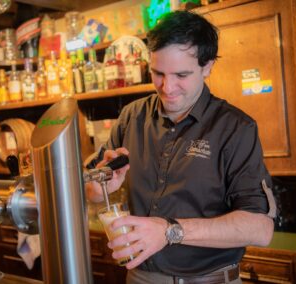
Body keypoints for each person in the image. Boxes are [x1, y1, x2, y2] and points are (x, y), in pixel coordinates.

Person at [86, 10, 276, 284]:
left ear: (208, 66)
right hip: (140, 278)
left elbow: (260, 228)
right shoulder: (131, 117)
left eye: (181, 75)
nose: (167, 87)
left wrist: (169, 230)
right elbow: (89, 188)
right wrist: (99, 185)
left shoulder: (235, 127)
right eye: (158, 73)